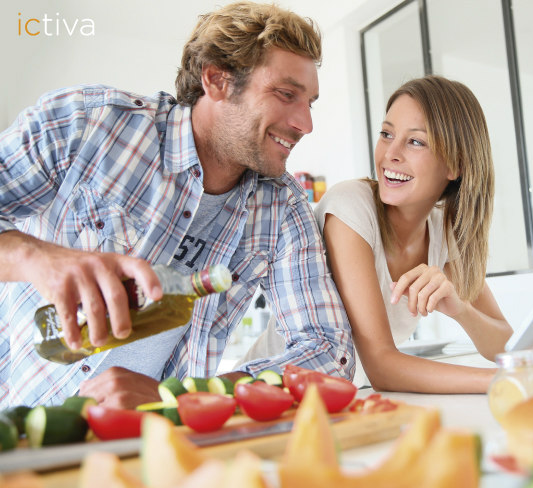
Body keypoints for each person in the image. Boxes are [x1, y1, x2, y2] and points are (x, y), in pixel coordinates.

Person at [0, 1, 353, 409]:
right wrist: (36, 258)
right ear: (217, 80)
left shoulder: (282, 207)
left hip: (143, 443)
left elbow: (329, 350)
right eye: (286, 94)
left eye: (309, 102)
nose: (305, 123)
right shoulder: (87, 124)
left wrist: (187, 396)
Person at [314, 75, 533, 392]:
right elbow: (382, 365)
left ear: (454, 165)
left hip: (347, 397)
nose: (390, 154)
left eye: (415, 141)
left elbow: (505, 346)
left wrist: (461, 310)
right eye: (387, 134)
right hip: (280, 391)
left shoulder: (443, 231)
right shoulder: (350, 208)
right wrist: (514, 379)